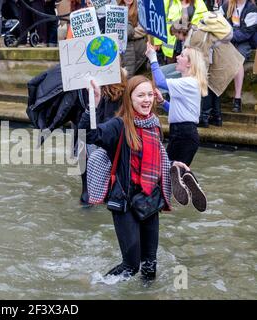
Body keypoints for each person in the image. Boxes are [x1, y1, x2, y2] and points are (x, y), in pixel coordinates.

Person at [79, 75, 183, 280]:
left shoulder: (154, 125)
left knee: (150, 267)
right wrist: (94, 104)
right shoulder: (119, 125)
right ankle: (99, 286)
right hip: (124, 201)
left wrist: (173, 165)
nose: (146, 100)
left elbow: (157, 160)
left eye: (150, 95)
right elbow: (90, 136)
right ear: (129, 99)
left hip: (149, 199)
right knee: (131, 266)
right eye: (140, 95)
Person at [145, 43, 208, 211]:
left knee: (161, 170)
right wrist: (163, 102)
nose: (177, 57)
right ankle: (187, 178)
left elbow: (159, 81)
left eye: (182, 55)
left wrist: (152, 57)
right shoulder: (189, 83)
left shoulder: (188, 82)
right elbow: (181, 111)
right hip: (186, 133)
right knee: (167, 172)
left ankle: (181, 178)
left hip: (183, 134)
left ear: (189, 64)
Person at [80, 68, 128, 206]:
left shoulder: (107, 92)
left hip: (105, 135)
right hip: (110, 135)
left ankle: (91, 198)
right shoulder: (116, 92)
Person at [220, 0, 257, 112]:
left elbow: (247, 32)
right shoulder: (226, 5)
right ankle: (215, 97)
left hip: (245, 41)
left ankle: (237, 98)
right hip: (228, 39)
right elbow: (218, 22)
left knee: (237, 59)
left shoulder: (251, 8)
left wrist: (229, 36)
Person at [117, 0, 147, 77]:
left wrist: (127, 34)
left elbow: (143, 29)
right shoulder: (117, 8)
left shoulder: (140, 8)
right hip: (122, 47)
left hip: (137, 45)